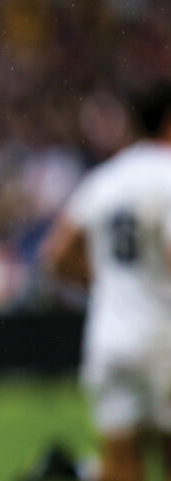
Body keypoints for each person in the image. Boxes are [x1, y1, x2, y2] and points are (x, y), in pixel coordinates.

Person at [41, 81, 171, 481]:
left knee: (120, 464)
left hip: (110, 336)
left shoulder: (107, 178)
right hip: (163, 334)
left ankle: (71, 473)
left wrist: (110, 286)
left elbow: (56, 256)